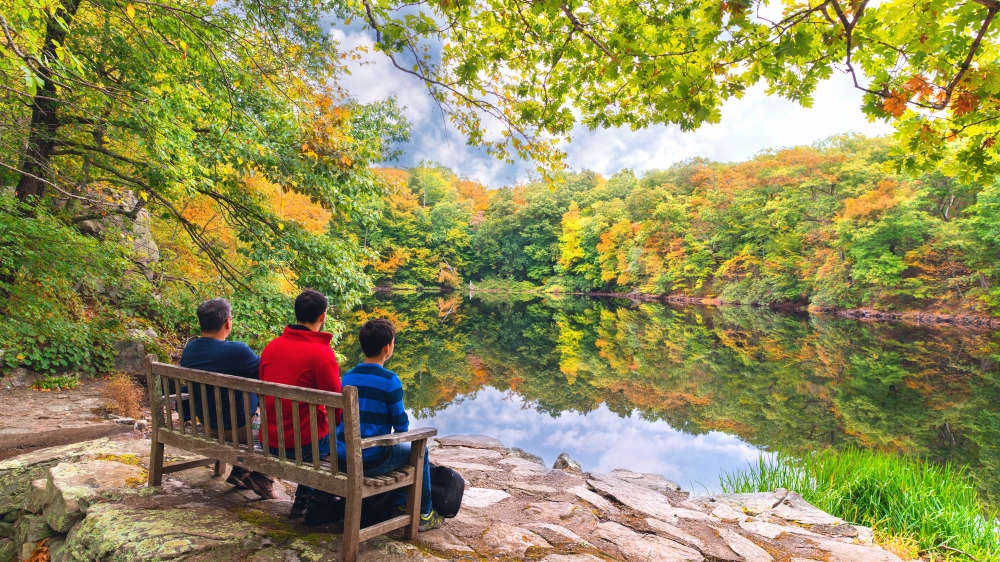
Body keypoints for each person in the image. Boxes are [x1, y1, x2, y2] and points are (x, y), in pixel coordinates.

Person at [336, 318, 443, 531]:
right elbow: (400, 425)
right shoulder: (389, 380)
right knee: (420, 452)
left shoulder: (348, 376)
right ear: (388, 348)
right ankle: (423, 512)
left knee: (400, 451)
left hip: (342, 457)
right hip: (371, 460)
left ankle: (400, 503)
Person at [259, 289, 342, 523]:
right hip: (302, 448)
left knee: (314, 428)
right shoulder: (321, 354)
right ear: (323, 316)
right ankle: (311, 495)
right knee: (336, 435)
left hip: (270, 440)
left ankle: (307, 494)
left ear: (296, 314)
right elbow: (337, 406)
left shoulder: (271, 347)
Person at [179, 298, 276, 499]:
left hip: (207, 424)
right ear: (228, 323)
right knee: (272, 418)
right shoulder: (238, 351)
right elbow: (267, 378)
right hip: (241, 430)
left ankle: (241, 470)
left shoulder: (190, 349)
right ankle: (261, 476)